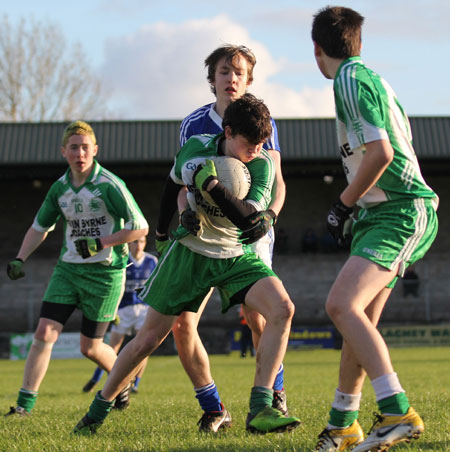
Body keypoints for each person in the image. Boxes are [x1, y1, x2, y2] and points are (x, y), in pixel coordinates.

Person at [72, 94, 300, 436]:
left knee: (282, 308)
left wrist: (211, 186)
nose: (256, 149)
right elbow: (171, 186)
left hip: (236, 254)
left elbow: (248, 223)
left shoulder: (261, 163)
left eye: (262, 143)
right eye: (249, 142)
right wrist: (163, 232)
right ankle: (97, 411)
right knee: (149, 339)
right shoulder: (196, 148)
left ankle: (261, 406)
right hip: (190, 255)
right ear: (227, 131)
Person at [311, 7, 439, 452]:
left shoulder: (348, 78)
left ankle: (397, 410)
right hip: (381, 213)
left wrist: (341, 205)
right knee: (358, 320)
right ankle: (344, 423)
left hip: (400, 211)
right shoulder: (371, 77)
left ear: (317, 50)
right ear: (358, 42)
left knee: (340, 304)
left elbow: (381, 153)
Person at [175, 44, 289, 431]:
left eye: (239, 72)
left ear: (249, 79)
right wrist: (183, 215)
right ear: (213, 79)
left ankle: (273, 398)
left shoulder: (262, 121)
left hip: (249, 235)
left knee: (259, 317)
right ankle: (213, 407)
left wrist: (269, 215)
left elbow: (277, 183)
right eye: (224, 72)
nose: (232, 78)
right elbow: (180, 184)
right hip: (205, 236)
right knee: (182, 324)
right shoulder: (193, 125)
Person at [4, 120, 149, 417]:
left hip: (106, 273)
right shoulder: (59, 189)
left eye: (85, 147)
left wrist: (101, 242)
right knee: (45, 331)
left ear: (95, 150)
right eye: (74, 147)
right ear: (63, 152)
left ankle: (123, 380)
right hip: (68, 270)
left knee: (90, 347)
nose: (80, 153)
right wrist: (20, 257)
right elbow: (39, 227)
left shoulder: (110, 185)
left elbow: (140, 226)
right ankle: (24, 406)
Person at [82, 236, 158, 394]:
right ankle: (96, 379)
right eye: (135, 242)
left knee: (143, 348)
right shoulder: (123, 261)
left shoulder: (152, 261)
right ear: (129, 243)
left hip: (143, 310)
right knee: (111, 347)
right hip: (123, 309)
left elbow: (156, 285)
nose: (138, 245)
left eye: (142, 241)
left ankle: (135, 384)